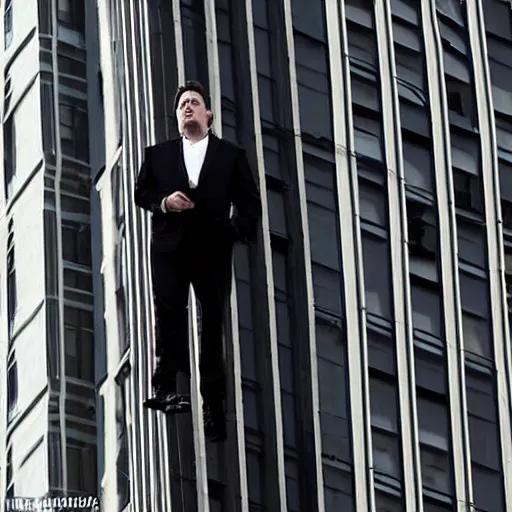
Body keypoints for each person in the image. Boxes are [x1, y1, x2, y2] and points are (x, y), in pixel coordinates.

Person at [134, 81, 262, 442]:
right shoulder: (157, 155)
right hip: (169, 248)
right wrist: (164, 202)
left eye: (194, 102)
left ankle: (213, 406)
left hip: (211, 248)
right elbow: (140, 192)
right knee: (169, 314)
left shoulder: (230, 155)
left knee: (212, 326)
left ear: (209, 114)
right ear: (177, 118)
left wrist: (233, 230)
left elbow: (251, 203)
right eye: (182, 105)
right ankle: (165, 388)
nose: (187, 107)